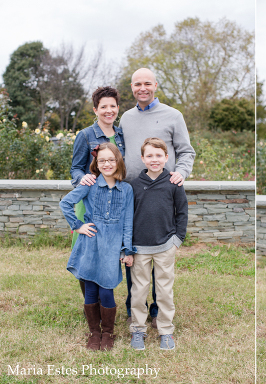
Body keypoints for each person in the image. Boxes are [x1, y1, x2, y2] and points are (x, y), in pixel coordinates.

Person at [81, 68, 196, 327]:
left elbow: (186, 151)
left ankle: (158, 310)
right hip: (131, 194)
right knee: (135, 251)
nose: (142, 88)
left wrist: (180, 173)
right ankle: (136, 309)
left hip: (163, 191)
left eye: (147, 83)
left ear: (155, 85)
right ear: (132, 88)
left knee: (161, 252)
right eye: (137, 84)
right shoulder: (127, 118)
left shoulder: (173, 115)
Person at [60, 143, 135, 351]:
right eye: (102, 160)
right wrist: (78, 226)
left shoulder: (126, 189)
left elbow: (128, 222)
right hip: (90, 245)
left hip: (111, 247)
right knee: (91, 290)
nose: (107, 164)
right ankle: (94, 332)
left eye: (111, 160)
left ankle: (108, 332)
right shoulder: (89, 184)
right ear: (96, 163)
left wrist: (127, 250)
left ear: (118, 161)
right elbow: (65, 203)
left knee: (107, 290)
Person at [128, 138, 188, 351]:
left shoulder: (174, 183)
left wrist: (177, 240)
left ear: (166, 157)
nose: (154, 160)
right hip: (139, 248)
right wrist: (127, 246)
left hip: (165, 246)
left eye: (159, 155)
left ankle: (166, 331)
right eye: (150, 156)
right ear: (143, 158)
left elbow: (182, 213)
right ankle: (138, 329)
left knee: (164, 290)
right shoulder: (133, 185)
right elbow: (128, 218)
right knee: (139, 291)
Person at [69, 87, 126, 298]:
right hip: (89, 203)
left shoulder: (121, 135)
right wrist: (80, 178)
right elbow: (75, 167)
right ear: (95, 109)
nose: (108, 110)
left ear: (118, 108)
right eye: (103, 107)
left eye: (112, 106)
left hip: (114, 202)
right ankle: (90, 304)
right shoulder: (85, 135)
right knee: (87, 251)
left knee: (107, 249)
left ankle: (105, 301)